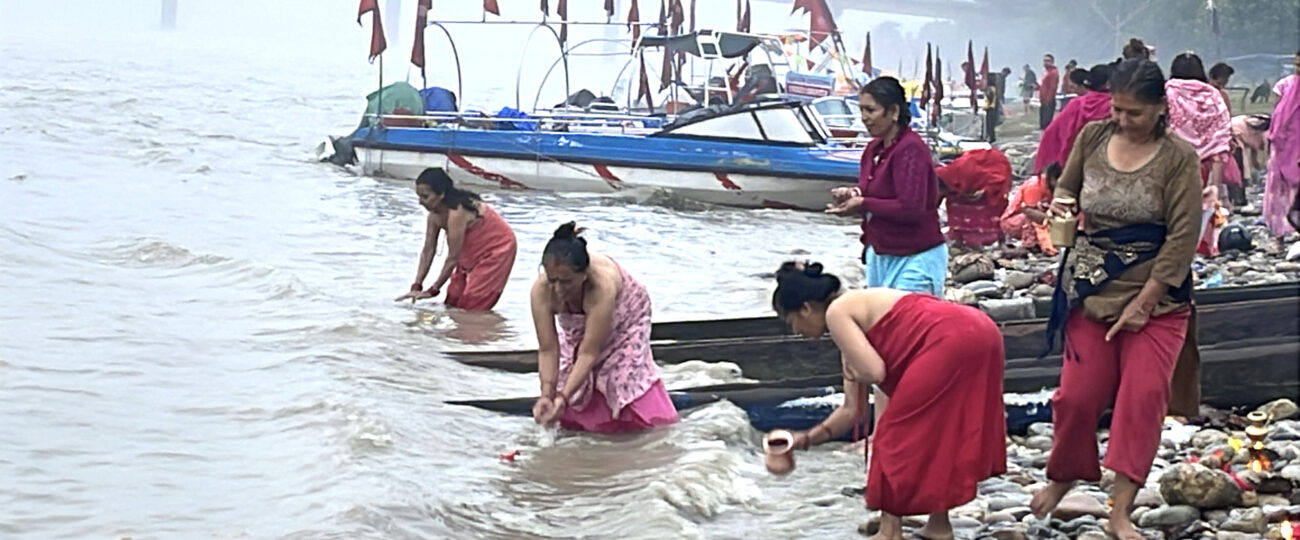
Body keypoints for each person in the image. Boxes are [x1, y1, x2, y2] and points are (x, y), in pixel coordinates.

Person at [1030, 59, 1202, 540]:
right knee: (1078, 397)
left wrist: (1146, 301)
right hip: (1093, 284)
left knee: (1142, 398)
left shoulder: (1177, 158)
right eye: (1118, 110)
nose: (1123, 121)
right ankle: (1064, 475)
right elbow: (1068, 186)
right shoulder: (1093, 137)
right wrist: (1062, 205)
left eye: (1135, 114)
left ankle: (1120, 509)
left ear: (1160, 110)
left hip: (1157, 295)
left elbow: (1184, 237)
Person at [764, 262, 1006, 540]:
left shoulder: (837, 312)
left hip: (950, 338)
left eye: (790, 320)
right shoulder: (858, 310)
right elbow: (851, 411)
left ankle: (890, 532)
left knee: (892, 437)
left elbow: (874, 372)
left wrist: (856, 371)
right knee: (943, 432)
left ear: (806, 308)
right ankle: (939, 526)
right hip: (980, 330)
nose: (796, 330)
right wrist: (803, 440)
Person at [529, 222, 678, 432]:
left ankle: (633, 423)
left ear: (583, 275)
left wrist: (563, 398)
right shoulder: (542, 290)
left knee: (620, 373)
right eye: (553, 280)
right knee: (570, 371)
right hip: (583, 318)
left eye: (566, 282)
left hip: (627, 310)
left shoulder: (601, 287)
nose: (559, 289)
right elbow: (548, 349)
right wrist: (547, 394)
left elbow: (589, 353)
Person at [826, 76, 947, 296]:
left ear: (893, 112)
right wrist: (853, 194)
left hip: (916, 255)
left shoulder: (910, 149)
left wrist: (863, 203)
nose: (864, 118)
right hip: (880, 254)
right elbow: (876, 191)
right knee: (883, 324)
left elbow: (911, 207)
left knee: (906, 323)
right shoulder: (873, 150)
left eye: (870, 111)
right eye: (861, 110)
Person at [395, 168, 518, 310]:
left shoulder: (457, 212)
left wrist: (433, 290)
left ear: (441, 194)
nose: (420, 202)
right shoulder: (434, 216)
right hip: (470, 252)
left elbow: (453, 257)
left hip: (498, 249)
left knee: (472, 305)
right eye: (419, 197)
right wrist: (417, 285)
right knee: (452, 301)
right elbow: (428, 250)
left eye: (425, 197)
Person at [1166, 52, 1233, 255]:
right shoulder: (1213, 95)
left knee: (1172, 210)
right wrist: (1216, 183)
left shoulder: (1167, 92)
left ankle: (1174, 251)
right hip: (1203, 166)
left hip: (1171, 162)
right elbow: (1221, 138)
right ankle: (1203, 246)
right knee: (1203, 208)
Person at [1035, 64, 1114, 175]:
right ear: (1109, 84)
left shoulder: (1077, 104)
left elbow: (1052, 132)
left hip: (1075, 162)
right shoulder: (1117, 104)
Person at [938, 148, 1013, 247]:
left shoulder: (966, 172)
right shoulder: (945, 177)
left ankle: (999, 240)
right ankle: (959, 239)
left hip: (992, 173)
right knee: (955, 203)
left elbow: (998, 178)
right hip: (964, 180)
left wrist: (986, 190)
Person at [1265, 50, 1300, 237]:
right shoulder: (1284, 85)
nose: (1298, 69)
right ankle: (1278, 234)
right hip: (1284, 144)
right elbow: (1278, 115)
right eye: (1297, 65)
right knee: (1278, 189)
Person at [1001, 162, 1062, 255]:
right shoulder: (1034, 186)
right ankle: (1030, 244)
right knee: (1031, 216)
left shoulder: (1050, 187)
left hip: (1040, 217)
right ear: (1053, 178)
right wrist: (1052, 220)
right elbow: (1028, 210)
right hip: (1013, 221)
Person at [1039, 54, 1060, 130]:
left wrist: (1048, 100)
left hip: (1048, 101)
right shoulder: (1046, 72)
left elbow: (1053, 87)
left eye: (1048, 61)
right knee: (1042, 124)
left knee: (1046, 125)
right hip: (1043, 100)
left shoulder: (1053, 72)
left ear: (1052, 62)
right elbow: (1045, 86)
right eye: (1044, 61)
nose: (1045, 63)